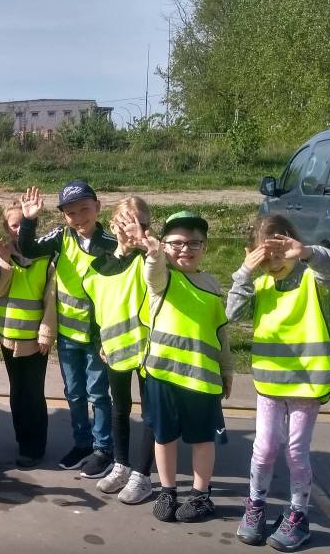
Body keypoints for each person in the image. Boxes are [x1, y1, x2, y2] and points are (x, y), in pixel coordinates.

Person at [228, 215, 330, 551]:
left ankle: (298, 515)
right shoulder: (261, 284)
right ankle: (255, 506)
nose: (275, 263)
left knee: (296, 451)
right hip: (271, 384)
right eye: (266, 258)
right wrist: (244, 273)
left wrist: (307, 252)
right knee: (264, 448)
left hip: (307, 384)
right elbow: (232, 313)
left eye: (281, 254)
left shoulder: (314, 280)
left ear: (293, 245)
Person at [130, 211, 232, 523]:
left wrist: (227, 370)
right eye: (176, 243)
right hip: (162, 376)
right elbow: (153, 273)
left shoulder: (212, 285)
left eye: (193, 243)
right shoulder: (163, 278)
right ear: (164, 246)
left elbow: (221, 333)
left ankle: (200, 496)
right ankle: (168, 490)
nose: (185, 249)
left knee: (203, 439)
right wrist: (153, 254)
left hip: (202, 379)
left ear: (204, 247)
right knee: (164, 437)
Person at [17, 182, 115, 478]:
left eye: (85, 209)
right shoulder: (61, 237)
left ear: (98, 207)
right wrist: (29, 220)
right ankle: (82, 444)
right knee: (74, 393)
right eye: (71, 213)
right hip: (68, 335)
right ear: (63, 216)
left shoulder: (112, 244)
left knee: (98, 394)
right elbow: (29, 249)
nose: (79, 217)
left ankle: (103, 449)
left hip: (98, 336)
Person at [82, 197, 155, 504]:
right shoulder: (99, 266)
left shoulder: (150, 259)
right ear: (112, 226)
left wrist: (147, 245)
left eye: (138, 223)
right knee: (119, 408)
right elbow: (96, 310)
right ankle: (121, 465)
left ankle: (142, 475)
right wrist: (99, 342)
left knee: (150, 413)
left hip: (150, 350)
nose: (131, 229)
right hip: (116, 350)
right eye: (124, 223)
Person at [0, 202, 56, 467]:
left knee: (33, 393)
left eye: (24, 223)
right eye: (14, 224)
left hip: (35, 339)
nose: (18, 229)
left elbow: (51, 298)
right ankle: (22, 440)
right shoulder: (0, 253)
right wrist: (4, 261)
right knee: (17, 392)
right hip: (8, 335)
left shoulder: (45, 256)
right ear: (6, 227)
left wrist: (46, 334)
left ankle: (35, 446)